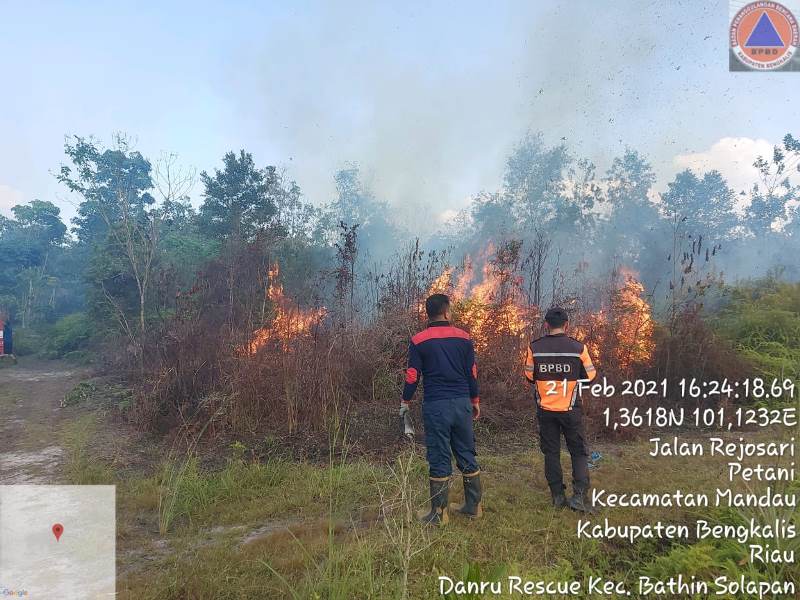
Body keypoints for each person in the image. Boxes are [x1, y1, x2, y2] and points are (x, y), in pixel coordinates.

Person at [401, 293, 482, 525]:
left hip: (437, 406)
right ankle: (474, 506)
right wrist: (474, 400)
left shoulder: (419, 340)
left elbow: (413, 375)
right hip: (462, 403)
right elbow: (472, 373)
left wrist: (405, 401)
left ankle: (439, 514)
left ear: (428, 313)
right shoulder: (464, 338)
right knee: (466, 452)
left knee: (439, 455)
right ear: (446, 312)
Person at [523, 307, 597, 512]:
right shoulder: (578, 348)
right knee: (578, 452)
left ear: (546, 325)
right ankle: (579, 497)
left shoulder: (534, 348)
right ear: (567, 324)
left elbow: (529, 377)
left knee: (551, 453)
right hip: (571, 409)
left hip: (546, 410)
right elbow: (590, 377)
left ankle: (557, 496)